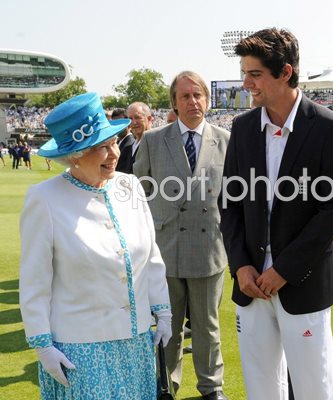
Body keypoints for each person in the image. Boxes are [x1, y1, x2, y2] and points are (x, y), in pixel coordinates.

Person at [219, 28, 333, 400]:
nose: (246, 83)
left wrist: (284, 271)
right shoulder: (243, 129)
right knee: (261, 388)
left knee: (315, 387)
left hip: (303, 283)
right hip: (250, 284)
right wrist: (241, 266)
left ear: (286, 72)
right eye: (245, 73)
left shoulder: (329, 127)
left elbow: (331, 212)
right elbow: (229, 204)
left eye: (255, 74)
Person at [19, 92, 172, 399]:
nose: (113, 152)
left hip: (136, 341)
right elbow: (35, 280)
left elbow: (150, 255)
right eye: (100, 147)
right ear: (74, 154)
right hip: (80, 350)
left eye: (114, 142)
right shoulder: (44, 199)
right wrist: (43, 345)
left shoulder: (130, 186)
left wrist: (163, 310)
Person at [134, 71, 230, 400]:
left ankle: (211, 387)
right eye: (185, 96)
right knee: (167, 327)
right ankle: (165, 385)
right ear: (174, 102)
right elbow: (138, 195)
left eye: (198, 95)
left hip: (209, 250)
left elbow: (235, 199)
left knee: (208, 327)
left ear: (207, 99)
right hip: (166, 250)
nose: (193, 102)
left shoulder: (225, 140)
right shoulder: (153, 140)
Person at [116, 102, 153, 174]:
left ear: (149, 119)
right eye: (130, 118)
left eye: (137, 117)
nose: (134, 122)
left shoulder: (155, 145)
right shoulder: (128, 148)